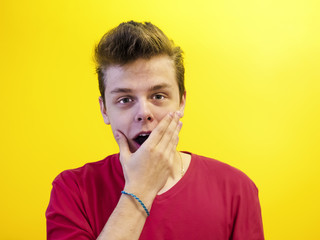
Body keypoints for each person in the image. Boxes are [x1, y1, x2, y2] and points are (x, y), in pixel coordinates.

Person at [46, 21, 264, 240]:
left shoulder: (236, 189)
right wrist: (141, 189)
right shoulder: (72, 191)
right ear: (104, 110)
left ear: (181, 102)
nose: (144, 113)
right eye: (125, 99)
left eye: (158, 96)